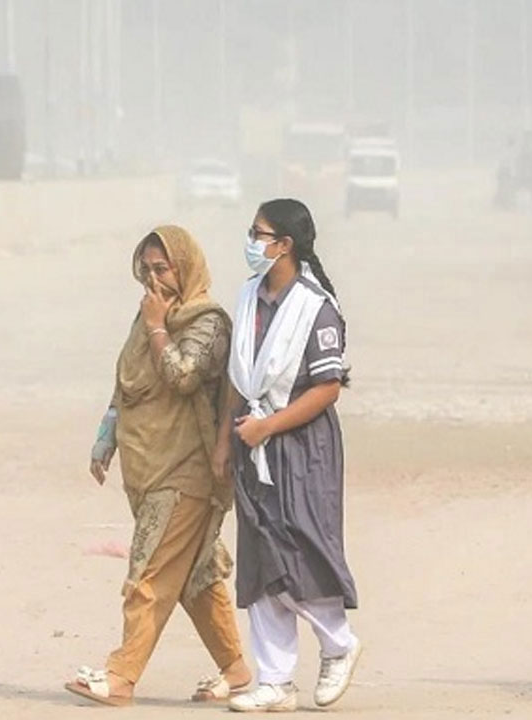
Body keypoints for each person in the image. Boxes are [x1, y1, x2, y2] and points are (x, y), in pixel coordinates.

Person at [65, 226, 252, 707]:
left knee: (148, 573)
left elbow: (182, 375)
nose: (153, 279)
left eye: (162, 268)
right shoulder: (149, 315)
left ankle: (121, 676)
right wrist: (105, 438)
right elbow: (127, 382)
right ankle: (235, 669)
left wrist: (156, 328)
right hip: (147, 465)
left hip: (186, 472)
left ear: (184, 268)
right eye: (146, 269)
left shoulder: (208, 322)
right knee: (195, 577)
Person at [218, 199, 363, 712]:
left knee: (302, 548)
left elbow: (327, 388)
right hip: (251, 440)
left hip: (300, 446)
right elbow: (239, 378)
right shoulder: (249, 296)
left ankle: (338, 643)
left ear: (284, 245)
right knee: (260, 555)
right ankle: (275, 679)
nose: (250, 241)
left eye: (258, 234)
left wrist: (268, 427)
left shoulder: (316, 307)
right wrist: (225, 441)